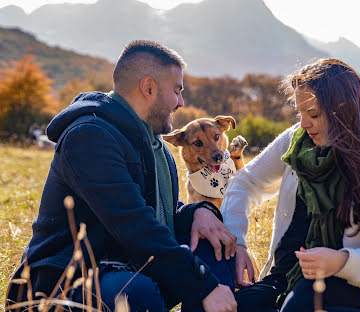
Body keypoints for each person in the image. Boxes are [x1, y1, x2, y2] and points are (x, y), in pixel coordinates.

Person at [6, 40, 237, 312]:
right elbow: (134, 224)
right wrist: (203, 285)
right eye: (176, 91)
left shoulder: (155, 146)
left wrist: (200, 211)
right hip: (66, 283)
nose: (181, 102)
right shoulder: (89, 137)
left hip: (127, 264)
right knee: (133, 292)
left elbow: (156, 211)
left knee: (215, 244)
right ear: (149, 88)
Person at [220, 58, 360, 312]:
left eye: (313, 114)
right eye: (300, 113)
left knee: (298, 307)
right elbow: (245, 183)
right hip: (285, 279)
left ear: (343, 111)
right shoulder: (297, 142)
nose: (303, 123)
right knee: (221, 307)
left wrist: (342, 262)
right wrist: (237, 241)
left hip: (356, 292)